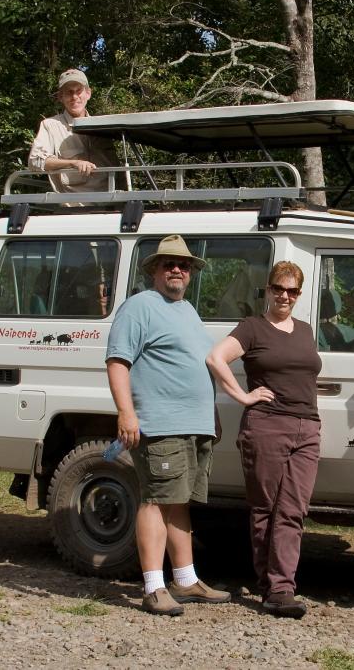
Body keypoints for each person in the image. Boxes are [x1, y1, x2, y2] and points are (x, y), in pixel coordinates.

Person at [105, 234, 230, 616]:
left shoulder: (186, 311)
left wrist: (212, 414)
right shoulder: (140, 307)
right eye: (169, 264)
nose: (178, 270)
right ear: (154, 271)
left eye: (185, 265)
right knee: (156, 500)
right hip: (160, 425)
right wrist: (126, 413)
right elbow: (117, 362)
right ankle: (153, 587)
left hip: (192, 426)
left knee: (179, 503)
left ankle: (186, 580)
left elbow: (196, 366)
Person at [206, 261, 321, 618]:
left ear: (299, 295)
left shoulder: (304, 330)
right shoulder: (253, 328)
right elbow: (215, 358)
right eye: (278, 289)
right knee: (266, 508)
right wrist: (244, 396)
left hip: (307, 428)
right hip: (267, 425)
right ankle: (273, 588)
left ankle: (281, 586)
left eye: (292, 291)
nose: (285, 296)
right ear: (268, 290)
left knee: (294, 510)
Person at [28, 68, 120, 194]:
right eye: (69, 92)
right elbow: (35, 162)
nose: (74, 97)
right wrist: (73, 163)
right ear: (61, 97)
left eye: (78, 91)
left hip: (112, 203)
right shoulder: (50, 125)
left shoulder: (102, 126)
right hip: (74, 206)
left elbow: (117, 170)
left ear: (88, 93)